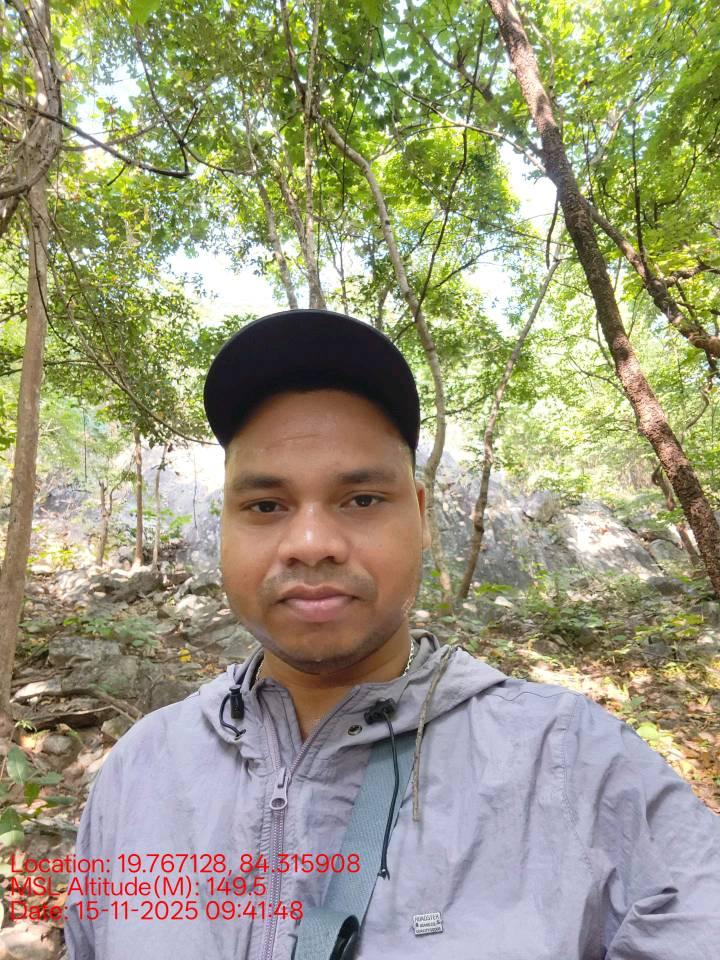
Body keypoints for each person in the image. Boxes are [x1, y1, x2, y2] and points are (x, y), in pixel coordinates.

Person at [64, 309, 719, 960]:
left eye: (361, 500)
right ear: (226, 527)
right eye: (265, 506)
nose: (311, 543)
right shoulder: (141, 769)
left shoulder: (576, 764)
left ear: (422, 517)